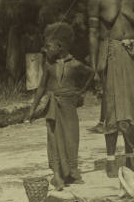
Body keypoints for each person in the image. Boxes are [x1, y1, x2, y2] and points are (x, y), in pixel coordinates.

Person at [87, 0, 134, 178]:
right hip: (111, 52)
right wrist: (95, 65)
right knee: (113, 109)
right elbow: (93, 33)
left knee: (132, 108)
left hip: (133, 54)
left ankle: (131, 159)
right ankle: (110, 161)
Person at [27, 22, 94, 191]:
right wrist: (32, 109)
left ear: (60, 46)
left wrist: (81, 92)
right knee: (54, 139)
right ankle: (57, 175)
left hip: (69, 106)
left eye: (48, 46)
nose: (45, 49)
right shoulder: (49, 66)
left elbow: (91, 73)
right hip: (53, 107)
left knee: (71, 137)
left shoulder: (75, 64)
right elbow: (41, 87)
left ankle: (71, 171)